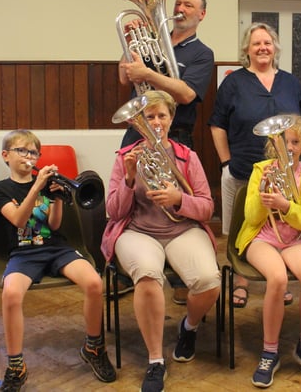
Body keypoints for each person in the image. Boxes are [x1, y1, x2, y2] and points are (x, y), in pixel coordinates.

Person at [101, 90, 220, 392]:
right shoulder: (125, 157)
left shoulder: (187, 156)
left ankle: (188, 327)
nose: (155, 122)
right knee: (148, 276)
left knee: (209, 281)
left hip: (181, 230)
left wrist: (179, 198)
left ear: (171, 119)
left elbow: (206, 206)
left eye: (160, 116)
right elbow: (114, 211)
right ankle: (156, 360)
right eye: (148, 117)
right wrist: (129, 179)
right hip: (138, 231)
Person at [0, 130, 116, 392]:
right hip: (23, 252)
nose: (28, 156)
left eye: (33, 152)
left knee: (94, 282)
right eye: (21, 150)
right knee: (11, 294)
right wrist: (37, 186)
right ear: (5, 156)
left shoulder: (47, 185)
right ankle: (16, 366)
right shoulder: (0, 189)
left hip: (56, 247)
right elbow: (18, 220)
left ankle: (93, 348)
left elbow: (54, 224)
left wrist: (58, 198)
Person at [209, 22, 301, 310]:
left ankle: (275, 279)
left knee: (281, 225)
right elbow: (217, 125)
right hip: (242, 169)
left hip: (284, 174)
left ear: (275, 47)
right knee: (240, 228)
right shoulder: (233, 83)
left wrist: (299, 166)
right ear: (247, 49)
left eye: (267, 42)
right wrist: (226, 163)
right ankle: (241, 282)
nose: (262, 48)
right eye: (256, 43)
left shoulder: (291, 83)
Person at [118, 0, 214, 305]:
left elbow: (186, 94)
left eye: (188, 4)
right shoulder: (153, 42)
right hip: (137, 129)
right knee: (131, 196)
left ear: (201, 14)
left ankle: (186, 279)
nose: (180, 8)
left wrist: (148, 74)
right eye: (177, 3)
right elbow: (124, 76)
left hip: (176, 132)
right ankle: (138, 265)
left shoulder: (202, 53)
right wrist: (131, 44)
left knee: (174, 200)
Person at [235, 115, 301, 388]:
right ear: (272, 145)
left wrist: (285, 205)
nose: (289, 147)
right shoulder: (261, 169)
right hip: (261, 238)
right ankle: (270, 352)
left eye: (295, 142)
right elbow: (251, 218)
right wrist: (265, 197)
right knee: (277, 279)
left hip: (295, 240)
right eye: (283, 141)